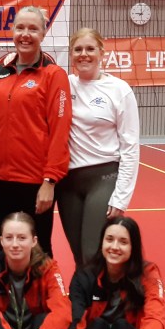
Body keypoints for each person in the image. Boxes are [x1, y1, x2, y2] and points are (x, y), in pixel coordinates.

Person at [0, 6, 72, 256]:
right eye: (20, 27)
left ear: (43, 34)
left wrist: (50, 181)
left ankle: (45, 285)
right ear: (12, 31)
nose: (25, 34)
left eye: (33, 29)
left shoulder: (54, 75)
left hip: (35, 182)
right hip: (0, 179)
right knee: (4, 248)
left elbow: (60, 130)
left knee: (38, 249)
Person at [57, 28, 140, 267]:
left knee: (92, 252)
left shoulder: (119, 90)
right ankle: (84, 292)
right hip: (68, 183)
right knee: (78, 254)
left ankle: (101, 291)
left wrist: (121, 197)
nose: (84, 54)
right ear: (71, 54)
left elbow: (130, 146)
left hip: (103, 178)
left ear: (102, 53)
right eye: (78, 49)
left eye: (90, 49)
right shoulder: (64, 84)